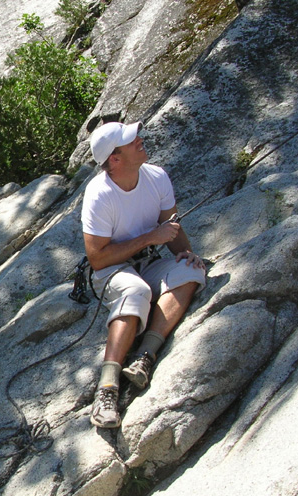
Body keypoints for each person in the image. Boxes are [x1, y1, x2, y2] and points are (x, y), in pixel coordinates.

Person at [81, 121, 206, 429]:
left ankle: (145, 357)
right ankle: (107, 389)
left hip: (149, 262)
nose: (139, 140)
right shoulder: (99, 194)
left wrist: (186, 253)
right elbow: (97, 259)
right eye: (130, 141)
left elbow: (171, 228)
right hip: (111, 270)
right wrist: (151, 238)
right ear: (115, 159)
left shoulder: (156, 177)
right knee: (136, 291)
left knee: (189, 272)